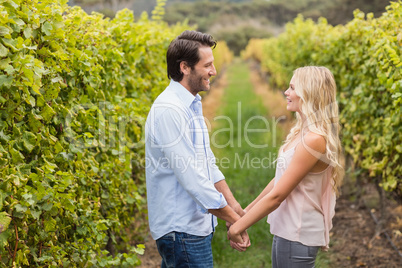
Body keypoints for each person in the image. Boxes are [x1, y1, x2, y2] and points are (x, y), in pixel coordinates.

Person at [145, 30, 250, 268]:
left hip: (191, 229)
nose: (214, 71)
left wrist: (234, 208)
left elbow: (207, 165)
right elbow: (194, 180)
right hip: (181, 231)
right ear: (185, 67)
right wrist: (236, 222)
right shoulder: (170, 110)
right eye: (208, 65)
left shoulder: (191, 104)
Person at [227, 66, 344, 267]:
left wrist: (237, 228)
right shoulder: (302, 132)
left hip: (298, 233)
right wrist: (245, 213)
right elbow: (280, 180)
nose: (286, 92)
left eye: (292, 87)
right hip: (288, 231)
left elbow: (277, 196)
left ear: (309, 93)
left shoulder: (314, 139)